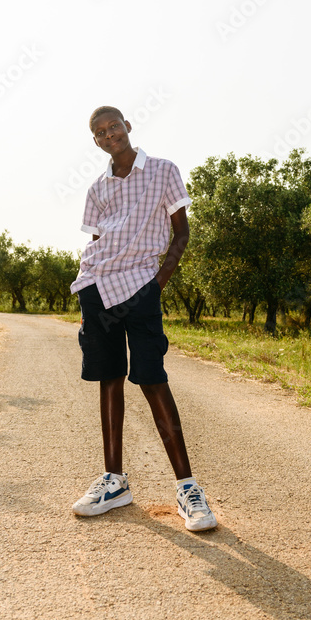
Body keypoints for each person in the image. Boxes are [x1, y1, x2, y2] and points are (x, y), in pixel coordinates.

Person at [69, 106, 216, 531]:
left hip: (141, 286)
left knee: (152, 379)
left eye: (114, 126)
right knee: (109, 378)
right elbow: (97, 244)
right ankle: (114, 482)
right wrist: (87, 299)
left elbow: (181, 232)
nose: (109, 134)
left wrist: (158, 283)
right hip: (97, 288)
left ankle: (188, 489)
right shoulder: (97, 188)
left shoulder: (163, 170)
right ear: (95, 141)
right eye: (100, 132)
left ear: (127, 127)